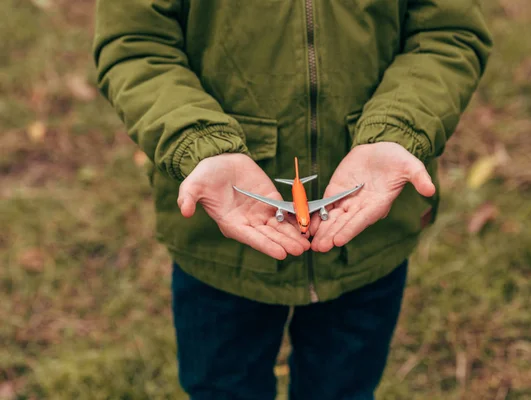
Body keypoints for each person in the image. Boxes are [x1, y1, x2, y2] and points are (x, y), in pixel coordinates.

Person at [93, 1, 492, 398]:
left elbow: (447, 31)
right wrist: (200, 146)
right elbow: (135, 42)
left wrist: (397, 131)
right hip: (218, 246)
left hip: (370, 240)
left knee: (346, 387)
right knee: (220, 385)